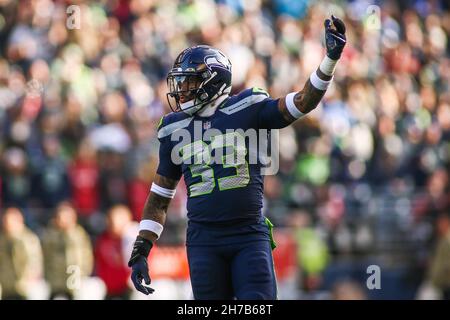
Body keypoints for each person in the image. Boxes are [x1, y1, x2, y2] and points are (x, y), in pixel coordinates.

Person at [128, 16, 347, 299]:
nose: (181, 90)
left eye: (189, 81)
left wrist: (329, 58)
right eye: (180, 82)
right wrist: (141, 250)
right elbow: (160, 196)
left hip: (247, 234)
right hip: (203, 240)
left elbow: (303, 102)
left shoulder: (248, 107)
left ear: (212, 81)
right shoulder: (173, 128)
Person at [42, 202, 93, 299]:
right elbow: (46, 256)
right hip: (55, 279)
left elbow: (86, 256)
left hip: (75, 279)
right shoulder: (50, 235)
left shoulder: (79, 235)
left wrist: (84, 273)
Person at [0, 207, 43, 300]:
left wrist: (29, 281)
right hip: (5, 286)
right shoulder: (2, 239)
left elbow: (34, 262)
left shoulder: (28, 239)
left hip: (23, 287)